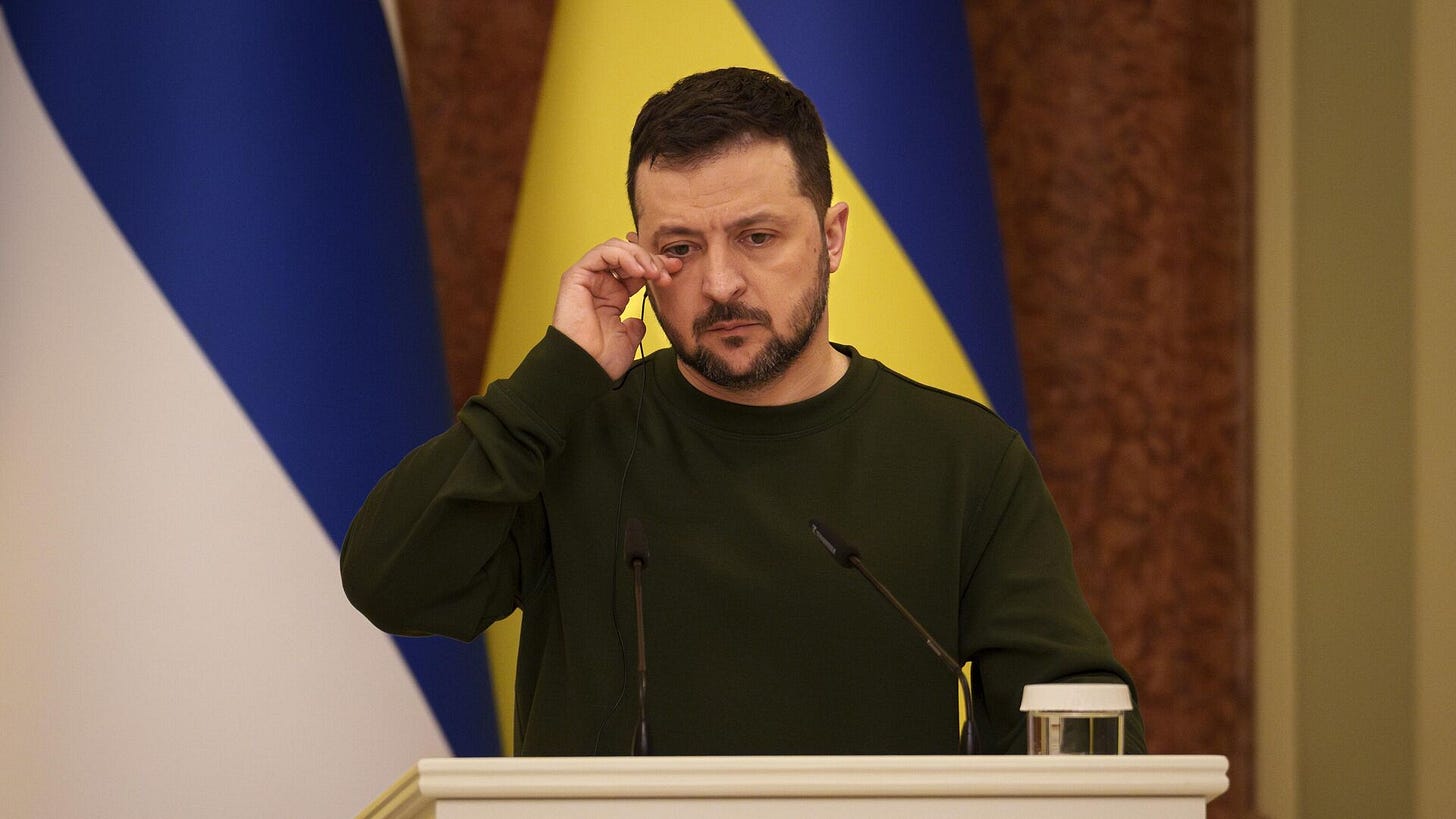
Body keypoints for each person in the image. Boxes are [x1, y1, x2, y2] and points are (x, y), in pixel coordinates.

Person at [341, 66, 1145, 756]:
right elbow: (392, 580)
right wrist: (552, 379)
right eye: (680, 248)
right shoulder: (569, 432)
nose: (720, 282)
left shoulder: (964, 458)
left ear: (831, 238)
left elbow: (1078, 722)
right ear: (637, 255)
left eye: (758, 237)